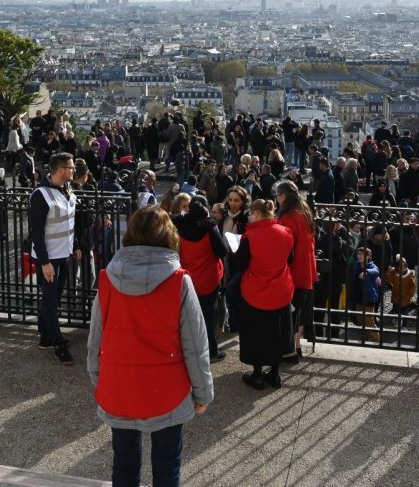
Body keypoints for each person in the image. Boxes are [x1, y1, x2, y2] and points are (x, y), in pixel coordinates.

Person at [87, 204, 214, 487]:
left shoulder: (107, 279)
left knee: (124, 463)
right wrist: (202, 393)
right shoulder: (179, 282)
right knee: (168, 466)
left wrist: (99, 380)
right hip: (166, 387)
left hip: (120, 385)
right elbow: (195, 345)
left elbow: (96, 339)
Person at [234, 199, 294, 389]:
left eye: (250, 214)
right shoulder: (285, 232)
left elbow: (240, 265)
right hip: (281, 289)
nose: (249, 217)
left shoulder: (250, 236)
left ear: (257, 214)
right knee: (278, 333)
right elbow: (289, 258)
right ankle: (275, 374)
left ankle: (258, 374)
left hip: (256, 291)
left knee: (256, 334)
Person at [29, 152, 80, 364]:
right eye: (71, 168)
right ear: (60, 170)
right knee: (51, 301)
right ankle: (58, 344)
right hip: (48, 258)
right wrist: (44, 263)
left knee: (53, 298)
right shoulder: (40, 195)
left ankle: (46, 337)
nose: (74, 171)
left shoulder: (67, 189)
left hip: (63, 254)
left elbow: (68, 222)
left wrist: (75, 245)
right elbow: (36, 233)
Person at [174, 196, 229, 362]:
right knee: (208, 317)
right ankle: (211, 351)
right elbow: (222, 251)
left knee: (185, 316)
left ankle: (185, 349)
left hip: (186, 278)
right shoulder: (210, 228)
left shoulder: (179, 226)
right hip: (208, 278)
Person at [275, 179, 315, 361]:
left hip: (293, 271)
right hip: (306, 269)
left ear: (283, 197)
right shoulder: (304, 212)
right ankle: (296, 346)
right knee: (300, 310)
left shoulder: (287, 218)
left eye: (277, 195)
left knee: (290, 311)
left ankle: (289, 350)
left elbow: (284, 248)